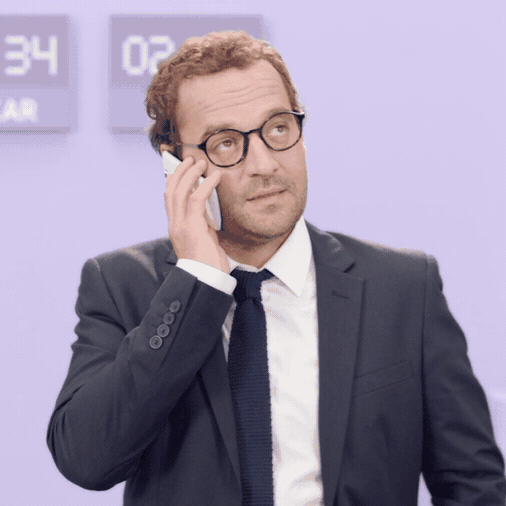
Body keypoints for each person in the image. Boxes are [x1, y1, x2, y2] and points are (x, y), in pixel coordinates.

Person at [47, 31, 506, 506]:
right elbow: (87, 460)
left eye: (279, 128)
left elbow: (474, 485)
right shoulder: (122, 285)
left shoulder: (404, 288)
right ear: (176, 164)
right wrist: (197, 282)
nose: (265, 164)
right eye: (226, 143)